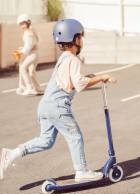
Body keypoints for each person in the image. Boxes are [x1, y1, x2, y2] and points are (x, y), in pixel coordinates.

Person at [0, 19, 116, 182]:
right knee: (75, 136)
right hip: (58, 107)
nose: (82, 41)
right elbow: (80, 84)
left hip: (45, 106)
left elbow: (72, 81)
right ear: (75, 39)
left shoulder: (64, 58)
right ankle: (81, 171)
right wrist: (102, 77)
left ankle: (11, 154)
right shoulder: (74, 60)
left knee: (46, 141)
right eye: (81, 37)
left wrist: (95, 78)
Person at [15, 14, 42, 96]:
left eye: (23, 23)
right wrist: (22, 48)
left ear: (27, 23)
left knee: (23, 68)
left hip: (32, 54)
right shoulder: (31, 31)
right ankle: (37, 89)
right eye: (20, 24)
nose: (21, 26)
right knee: (31, 71)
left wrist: (22, 51)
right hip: (34, 53)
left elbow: (29, 46)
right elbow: (30, 44)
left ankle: (29, 88)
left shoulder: (28, 33)